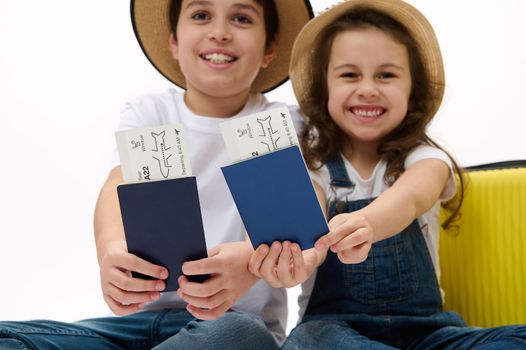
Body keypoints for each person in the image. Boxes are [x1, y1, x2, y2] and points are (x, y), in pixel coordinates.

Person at [0, 0, 313, 349]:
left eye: (241, 18)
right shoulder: (151, 113)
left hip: (230, 327)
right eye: (201, 15)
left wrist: (252, 263)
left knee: (241, 335)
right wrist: (111, 251)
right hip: (138, 324)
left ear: (270, 49)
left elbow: (308, 211)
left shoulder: (286, 125)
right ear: (174, 43)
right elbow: (118, 184)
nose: (220, 32)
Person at [249, 0, 526, 349]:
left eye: (386, 74)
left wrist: (366, 224)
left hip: (428, 336)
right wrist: (303, 258)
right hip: (337, 333)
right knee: (307, 342)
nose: (368, 88)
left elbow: (410, 198)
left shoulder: (426, 158)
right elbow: (310, 222)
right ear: (325, 87)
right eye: (350, 74)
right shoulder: (314, 167)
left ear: (413, 90)